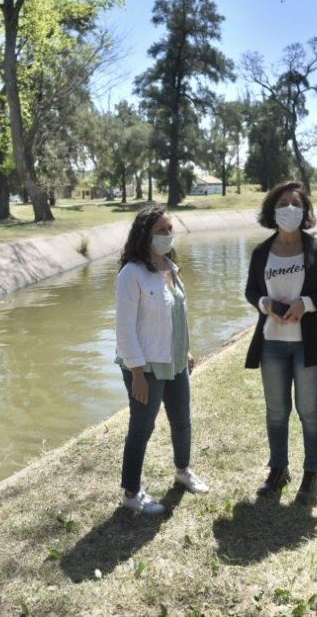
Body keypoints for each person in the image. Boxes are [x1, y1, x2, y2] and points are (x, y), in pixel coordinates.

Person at [244, 181, 317, 504]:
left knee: (309, 410)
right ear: (273, 210)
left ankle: (311, 474)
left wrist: (306, 303)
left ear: (305, 211)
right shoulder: (261, 252)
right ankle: (278, 469)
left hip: (308, 343)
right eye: (283, 203)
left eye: (296, 204)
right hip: (272, 342)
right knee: (276, 411)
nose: (290, 209)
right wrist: (265, 305)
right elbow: (251, 291)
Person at [115, 203, 209, 515]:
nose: (168, 235)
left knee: (182, 420)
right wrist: (137, 373)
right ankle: (131, 492)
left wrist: (186, 349)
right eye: (161, 231)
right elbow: (125, 329)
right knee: (141, 428)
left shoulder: (171, 267)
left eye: (170, 229)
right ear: (145, 236)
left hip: (175, 360)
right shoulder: (131, 274)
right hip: (146, 365)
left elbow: (177, 314)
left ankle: (183, 472)